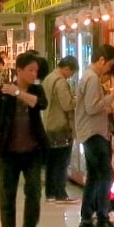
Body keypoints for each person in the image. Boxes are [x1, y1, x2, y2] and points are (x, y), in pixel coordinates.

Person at [0, 51, 49, 227]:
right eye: (30, 70)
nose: (34, 74)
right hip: (8, 152)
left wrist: (17, 93)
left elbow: (39, 104)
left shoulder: (36, 90)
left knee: (34, 191)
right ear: (19, 70)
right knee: (7, 192)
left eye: (36, 71)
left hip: (33, 151)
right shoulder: (3, 92)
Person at [76, 44, 114, 227]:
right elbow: (92, 107)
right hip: (94, 133)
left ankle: (86, 219)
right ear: (102, 60)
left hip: (88, 132)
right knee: (106, 175)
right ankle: (103, 218)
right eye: (109, 64)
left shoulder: (87, 77)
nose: (108, 69)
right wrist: (110, 97)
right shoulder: (93, 78)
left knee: (94, 176)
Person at [40, 56, 78, 202]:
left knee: (51, 162)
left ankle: (50, 193)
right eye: (72, 73)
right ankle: (60, 193)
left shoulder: (49, 78)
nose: (71, 76)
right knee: (62, 161)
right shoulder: (61, 82)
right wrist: (77, 99)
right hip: (60, 126)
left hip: (48, 124)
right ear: (67, 68)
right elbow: (66, 104)